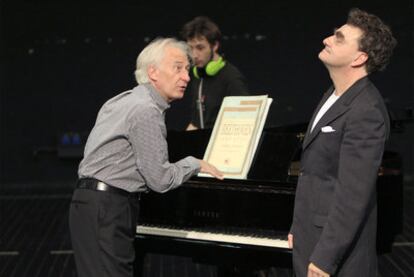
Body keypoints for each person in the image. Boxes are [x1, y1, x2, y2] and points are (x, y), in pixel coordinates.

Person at [69, 37, 223, 277]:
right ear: (153, 72)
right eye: (178, 68)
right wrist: (196, 163)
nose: (186, 76)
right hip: (108, 210)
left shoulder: (123, 100)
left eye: (187, 69)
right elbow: (160, 179)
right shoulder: (146, 110)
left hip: (90, 205)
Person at [288, 8, 397, 277]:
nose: (327, 39)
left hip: (335, 256)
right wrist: (297, 227)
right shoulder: (332, 94)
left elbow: (353, 195)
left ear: (360, 57)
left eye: (339, 38)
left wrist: (326, 258)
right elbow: (316, 175)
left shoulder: (366, 111)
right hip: (310, 236)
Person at [180, 16, 249, 130]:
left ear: (215, 46)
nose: (194, 55)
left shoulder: (232, 78)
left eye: (200, 48)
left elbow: (244, 122)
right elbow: (196, 122)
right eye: (190, 48)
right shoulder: (199, 75)